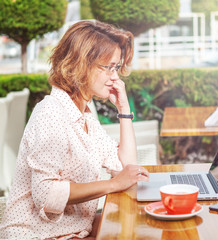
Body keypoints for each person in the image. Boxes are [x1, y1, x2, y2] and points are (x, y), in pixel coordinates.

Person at [0, 20, 149, 240]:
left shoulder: (85, 114)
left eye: (116, 67)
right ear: (80, 64)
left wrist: (123, 110)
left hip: (73, 230)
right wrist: (113, 184)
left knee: (137, 226)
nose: (115, 77)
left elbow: (126, 167)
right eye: (108, 67)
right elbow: (47, 194)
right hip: (36, 235)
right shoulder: (51, 113)